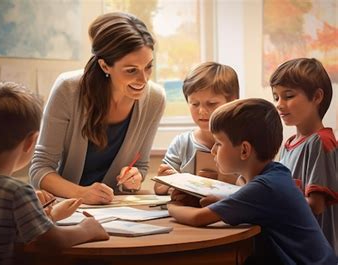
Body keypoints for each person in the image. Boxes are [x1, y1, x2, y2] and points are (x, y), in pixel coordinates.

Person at [0, 82, 109, 264]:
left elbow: (2, 226)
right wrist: (87, 229)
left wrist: (51, 215)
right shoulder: (16, 191)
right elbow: (52, 241)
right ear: (31, 141)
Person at [167, 98, 336, 264]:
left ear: (244, 150)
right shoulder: (276, 173)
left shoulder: (264, 187)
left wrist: (173, 206)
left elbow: (197, 218)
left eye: (218, 143)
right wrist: (222, 203)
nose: (212, 150)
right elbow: (251, 202)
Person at [30, 12, 166, 205]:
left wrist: (134, 178)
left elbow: (141, 165)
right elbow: (40, 169)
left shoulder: (155, 99)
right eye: (131, 70)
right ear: (105, 66)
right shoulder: (68, 89)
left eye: (148, 67)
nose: (143, 79)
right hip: (64, 208)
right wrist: (81, 193)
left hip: (114, 210)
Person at [270, 57, 338, 256]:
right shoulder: (288, 144)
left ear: (317, 97)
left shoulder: (321, 142)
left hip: (316, 254)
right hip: (295, 248)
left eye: (288, 96)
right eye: (276, 97)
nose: (279, 105)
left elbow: (315, 206)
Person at [154, 62, 239, 195]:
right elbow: (159, 188)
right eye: (194, 104)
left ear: (232, 102)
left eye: (211, 104)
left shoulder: (243, 145)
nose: (202, 111)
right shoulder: (182, 143)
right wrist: (166, 182)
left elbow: (256, 188)